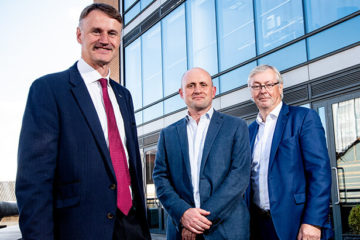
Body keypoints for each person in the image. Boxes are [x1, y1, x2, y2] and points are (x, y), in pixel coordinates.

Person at [15, 3, 150, 240]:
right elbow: (34, 182)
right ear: (79, 35)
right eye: (96, 31)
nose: (104, 40)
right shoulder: (49, 90)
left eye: (112, 33)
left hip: (132, 227)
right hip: (81, 230)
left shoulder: (123, 96)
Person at [153, 67, 251, 240]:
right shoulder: (168, 134)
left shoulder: (236, 127)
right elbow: (161, 178)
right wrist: (183, 214)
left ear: (213, 91)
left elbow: (238, 177)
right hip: (180, 231)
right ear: (181, 93)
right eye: (191, 85)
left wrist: (198, 221)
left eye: (203, 84)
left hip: (226, 230)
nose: (197, 90)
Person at [247, 65, 332, 240]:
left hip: (297, 223)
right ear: (251, 91)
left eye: (269, 84)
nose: (263, 90)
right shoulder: (249, 131)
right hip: (258, 225)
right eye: (256, 86)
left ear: (280, 86)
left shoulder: (303, 118)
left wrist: (313, 222)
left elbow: (320, 172)